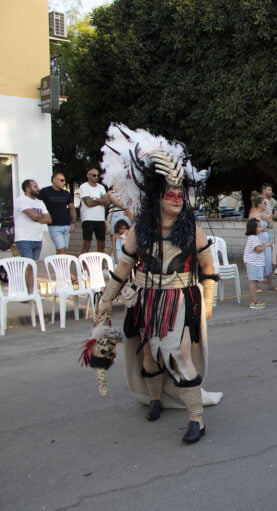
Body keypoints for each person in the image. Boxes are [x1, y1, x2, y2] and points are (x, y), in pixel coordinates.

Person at [97, 124, 218, 445]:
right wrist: (107, 298)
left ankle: (196, 419)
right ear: (157, 197)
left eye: (180, 194)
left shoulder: (192, 230)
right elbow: (123, 266)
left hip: (180, 298)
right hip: (143, 298)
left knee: (178, 354)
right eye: (171, 194)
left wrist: (207, 301)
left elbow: (208, 267)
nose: (177, 199)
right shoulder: (140, 229)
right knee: (147, 354)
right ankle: (155, 400)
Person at [14, 179, 51, 292]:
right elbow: (33, 216)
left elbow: (49, 219)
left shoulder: (39, 202)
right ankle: (27, 292)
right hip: (24, 238)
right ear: (27, 189)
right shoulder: (22, 200)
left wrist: (37, 216)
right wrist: (40, 217)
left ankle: (31, 292)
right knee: (28, 265)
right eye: (35, 186)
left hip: (37, 238)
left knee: (33, 266)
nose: (38, 188)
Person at [38, 172, 76, 254]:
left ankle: (60, 265)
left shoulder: (66, 193)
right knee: (61, 249)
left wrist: (73, 222)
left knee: (64, 249)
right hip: (54, 225)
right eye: (61, 180)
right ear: (54, 180)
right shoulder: (45, 191)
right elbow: (36, 203)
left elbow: (72, 208)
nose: (64, 183)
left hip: (66, 225)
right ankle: (63, 266)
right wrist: (41, 218)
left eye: (64, 180)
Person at [79, 168, 109, 253]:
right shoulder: (84, 186)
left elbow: (106, 202)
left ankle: (101, 265)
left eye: (97, 175)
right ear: (88, 175)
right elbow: (88, 203)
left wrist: (95, 199)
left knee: (102, 245)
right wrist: (100, 200)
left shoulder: (101, 187)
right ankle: (83, 265)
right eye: (94, 175)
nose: (96, 177)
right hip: (88, 218)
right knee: (87, 244)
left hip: (100, 219)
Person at [250, 196, 275, 291]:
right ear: (259, 204)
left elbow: (271, 226)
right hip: (258, 240)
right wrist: (264, 229)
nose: (266, 205)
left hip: (266, 240)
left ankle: (270, 283)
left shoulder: (265, 214)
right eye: (264, 203)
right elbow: (253, 228)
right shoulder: (253, 214)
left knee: (268, 261)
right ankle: (257, 284)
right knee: (258, 262)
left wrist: (269, 217)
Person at [243, 218, 267, 310]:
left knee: (256, 282)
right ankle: (254, 302)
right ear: (254, 228)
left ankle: (255, 300)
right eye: (259, 227)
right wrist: (266, 245)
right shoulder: (253, 238)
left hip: (255, 263)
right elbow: (258, 249)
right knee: (253, 283)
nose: (261, 229)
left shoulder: (254, 238)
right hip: (253, 263)